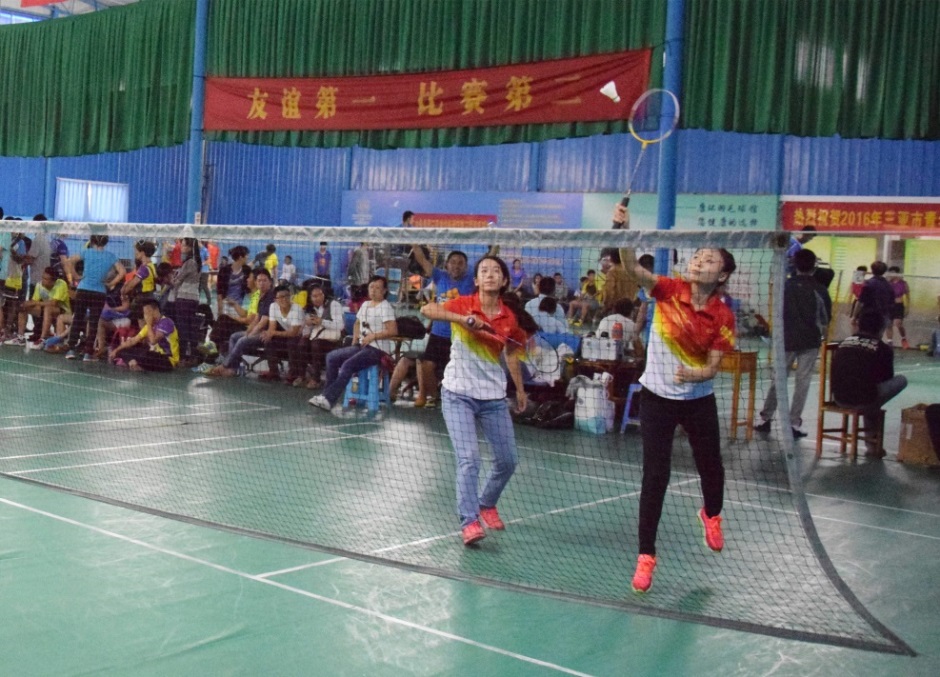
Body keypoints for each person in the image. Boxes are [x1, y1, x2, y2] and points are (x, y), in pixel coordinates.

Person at [613, 203, 736, 594]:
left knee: (711, 466)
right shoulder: (669, 289)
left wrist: (696, 374)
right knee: (656, 475)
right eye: (698, 256)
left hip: (699, 399)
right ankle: (645, 556)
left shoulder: (723, 316)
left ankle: (711, 514)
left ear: (722, 275)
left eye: (709, 259)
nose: (699, 260)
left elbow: (713, 366)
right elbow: (632, 267)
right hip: (657, 398)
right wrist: (624, 231)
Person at [419, 255, 529, 546]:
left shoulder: (509, 318)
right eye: (484, 271)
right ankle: (469, 522)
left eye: (496, 271)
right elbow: (427, 309)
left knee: (508, 461)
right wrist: (462, 320)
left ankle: (486, 503)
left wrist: (519, 389)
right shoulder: (463, 303)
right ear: (477, 280)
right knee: (469, 459)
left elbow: (512, 353)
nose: (490, 274)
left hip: (493, 398)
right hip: (458, 394)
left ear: (504, 281)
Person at [754, 248, 832, 438]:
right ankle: (794, 423)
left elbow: (776, 313)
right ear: (814, 266)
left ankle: (765, 418)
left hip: (786, 340)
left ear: (794, 264)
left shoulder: (784, 287)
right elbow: (825, 319)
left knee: (778, 379)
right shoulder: (820, 289)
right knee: (802, 382)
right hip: (810, 340)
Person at [390, 248, 474, 408]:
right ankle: (436, 397)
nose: (456, 266)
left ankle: (460, 399)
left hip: (460, 336)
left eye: (460, 263)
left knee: (461, 370)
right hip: (438, 334)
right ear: (447, 265)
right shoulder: (440, 276)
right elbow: (422, 259)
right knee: (427, 366)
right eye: (453, 262)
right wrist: (414, 241)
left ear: (466, 266)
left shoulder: (470, 280)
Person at [309, 275, 397, 412]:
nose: (373, 290)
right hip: (362, 346)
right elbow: (357, 323)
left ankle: (329, 399)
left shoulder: (386, 307)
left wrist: (373, 336)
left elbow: (393, 330)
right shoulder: (366, 305)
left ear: (385, 290)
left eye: (378, 288)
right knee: (331, 357)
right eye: (371, 287)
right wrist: (356, 341)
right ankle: (325, 395)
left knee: (347, 365)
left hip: (377, 350)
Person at [831, 309, 908, 458]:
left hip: (839, 398)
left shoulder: (844, 343)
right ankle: (872, 445)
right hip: (866, 399)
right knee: (899, 381)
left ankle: (872, 445)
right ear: (880, 329)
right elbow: (886, 378)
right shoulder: (883, 349)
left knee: (869, 392)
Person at [64, 235, 125, 361]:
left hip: (83, 290)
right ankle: (88, 353)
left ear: (91, 241)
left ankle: (71, 350)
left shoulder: (86, 252)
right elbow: (122, 272)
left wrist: (75, 276)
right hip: (99, 292)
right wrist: (111, 283)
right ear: (106, 242)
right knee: (93, 322)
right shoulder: (110, 256)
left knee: (77, 319)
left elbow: (69, 261)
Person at [287, 285, 343, 388]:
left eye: (320, 295)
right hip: (316, 337)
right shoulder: (309, 309)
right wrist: (308, 326)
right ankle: (301, 375)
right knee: (302, 343)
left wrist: (322, 321)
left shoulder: (334, 305)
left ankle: (316, 379)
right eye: (314, 296)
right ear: (310, 297)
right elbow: (307, 331)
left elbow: (340, 325)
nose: (318, 298)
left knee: (316, 344)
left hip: (332, 340)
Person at [109, 298, 179, 372]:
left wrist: (148, 323)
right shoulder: (150, 325)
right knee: (124, 349)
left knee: (147, 355)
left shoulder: (166, 322)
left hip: (168, 360)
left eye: (147, 312)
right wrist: (116, 350)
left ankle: (136, 364)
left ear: (155, 310)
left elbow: (153, 341)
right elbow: (133, 341)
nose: (146, 316)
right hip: (153, 355)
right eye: (145, 313)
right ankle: (135, 364)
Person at [8, 267, 70, 346]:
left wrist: (35, 303)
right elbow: (34, 301)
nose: (43, 280)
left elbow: (54, 303)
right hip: (45, 309)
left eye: (46, 279)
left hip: (63, 311)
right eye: (42, 277)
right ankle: (20, 337)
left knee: (48, 309)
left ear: (53, 281)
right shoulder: (39, 285)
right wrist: (28, 303)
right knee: (24, 308)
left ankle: (42, 339)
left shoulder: (61, 284)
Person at [853, 261, 894, 330]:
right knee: (877, 334)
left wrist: (854, 316)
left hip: (868, 315)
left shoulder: (868, 284)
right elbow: (891, 302)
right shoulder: (888, 285)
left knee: (865, 333)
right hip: (883, 315)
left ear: (872, 270)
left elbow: (860, 301)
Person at [885, 266, 911, 349]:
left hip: (899, 305)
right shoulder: (887, 283)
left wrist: (907, 308)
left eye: (893, 273)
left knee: (898, 323)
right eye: (890, 273)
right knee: (888, 324)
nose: (891, 275)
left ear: (897, 273)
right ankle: (890, 342)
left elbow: (908, 297)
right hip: (889, 305)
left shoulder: (903, 283)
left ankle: (903, 338)